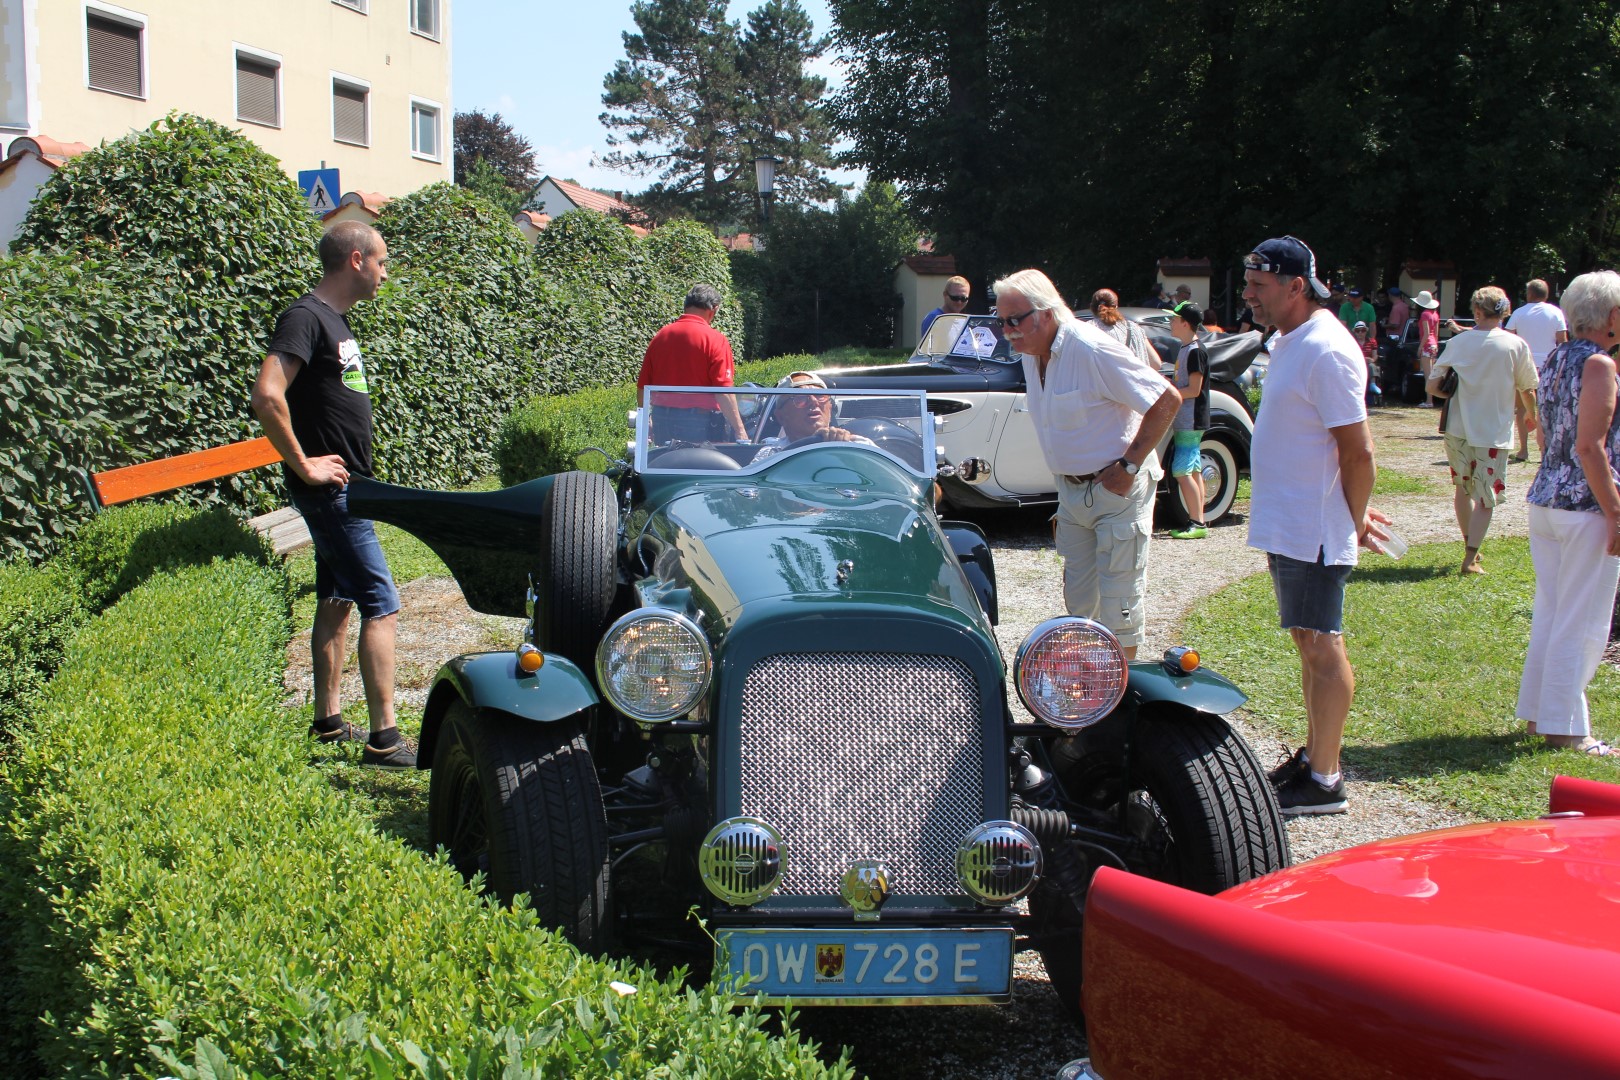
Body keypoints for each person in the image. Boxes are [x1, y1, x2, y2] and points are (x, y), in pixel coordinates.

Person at [250, 221, 414, 768]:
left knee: (337, 599)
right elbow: (267, 395)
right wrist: (304, 464)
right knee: (382, 603)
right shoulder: (304, 318)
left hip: (347, 490)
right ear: (357, 261)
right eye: (383, 262)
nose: (386, 273)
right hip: (333, 496)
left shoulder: (335, 322)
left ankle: (327, 720)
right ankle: (385, 739)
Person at [1241, 235, 1391, 816]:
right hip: (1292, 523)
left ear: (1295, 285)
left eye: (1259, 284)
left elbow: (1358, 451)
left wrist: (1351, 520)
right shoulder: (1291, 341)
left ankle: (1325, 780)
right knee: (1307, 641)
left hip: (1315, 526)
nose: (1249, 294)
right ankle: (1315, 757)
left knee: (1323, 646)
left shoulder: (1326, 348)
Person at [994, 269, 1180, 659]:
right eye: (1001, 321)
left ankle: (1118, 706)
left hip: (1118, 489)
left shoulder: (1089, 347)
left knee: (1119, 606)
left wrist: (1128, 467)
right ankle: (1090, 695)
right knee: (1080, 608)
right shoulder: (1032, 353)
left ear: (1045, 313)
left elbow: (1167, 400)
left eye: (1014, 320)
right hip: (1074, 492)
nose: (1007, 331)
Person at [1516, 269, 1620, 758]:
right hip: (1585, 505)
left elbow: (1546, 433)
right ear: (1613, 317)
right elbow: (1590, 446)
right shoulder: (1599, 365)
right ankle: (1566, 727)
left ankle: (1543, 713)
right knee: (1583, 619)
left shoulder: (1556, 358)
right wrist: (1615, 510)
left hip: (1549, 499)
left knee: (1555, 612)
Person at [1426, 286, 1539, 575]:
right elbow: (1527, 387)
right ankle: (1470, 557)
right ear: (1504, 311)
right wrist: (1532, 415)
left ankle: (1470, 547)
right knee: (1486, 496)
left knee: (1463, 489)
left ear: (1476, 311)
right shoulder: (1515, 345)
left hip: (1458, 429)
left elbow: (1433, 386)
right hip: (1493, 431)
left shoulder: (1459, 342)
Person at [637, 284, 748, 445]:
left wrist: (646, 420)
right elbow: (723, 391)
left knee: (664, 465)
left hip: (661, 416)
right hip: (698, 420)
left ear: (686, 306)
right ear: (714, 310)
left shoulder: (661, 336)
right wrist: (740, 431)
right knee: (697, 466)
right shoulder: (715, 340)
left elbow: (642, 387)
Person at [1505, 278, 1569, 461]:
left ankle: (1523, 450)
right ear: (1546, 294)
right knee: (1547, 408)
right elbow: (1562, 342)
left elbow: (1508, 340)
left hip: (1524, 365)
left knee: (1521, 408)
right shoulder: (1555, 312)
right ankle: (1545, 449)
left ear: (1529, 294)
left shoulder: (1518, 313)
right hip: (1548, 365)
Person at [751, 371, 873, 463]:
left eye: (820, 396)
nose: (814, 401)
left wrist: (846, 451)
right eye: (800, 397)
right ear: (781, 417)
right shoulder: (771, 454)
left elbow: (887, 481)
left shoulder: (859, 446)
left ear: (830, 408)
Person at [1166, 301, 1211, 539]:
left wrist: (1169, 392)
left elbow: (1194, 389)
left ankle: (1197, 523)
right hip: (1186, 419)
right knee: (1193, 471)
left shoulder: (1195, 351)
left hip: (1190, 420)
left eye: (1174, 319)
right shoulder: (1186, 349)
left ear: (1185, 323)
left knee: (1181, 471)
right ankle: (1199, 520)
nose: (1170, 323)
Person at [1089, 288, 1160, 367]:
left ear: (1092, 307)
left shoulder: (1087, 329)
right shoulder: (1134, 328)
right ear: (1116, 306)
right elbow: (1156, 363)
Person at [1411, 289, 1442, 407]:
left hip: (1427, 344)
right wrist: (1436, 345)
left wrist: (1420, 347)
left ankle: (1429, 401)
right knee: (1431, 373)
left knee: (1427, 375)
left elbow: (1426, 333)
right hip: (1434, 344)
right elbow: (1436, 333)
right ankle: (1430, 399)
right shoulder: (1435, 314)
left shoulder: (1424, 314)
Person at [1351, 321, 1381, 405]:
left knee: (1371, 366)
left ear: (1366, 331)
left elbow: (1375, 355)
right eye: (1358, 330)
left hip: (1368, 363)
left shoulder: (1372, 342)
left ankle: (1372, 384)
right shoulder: (1352, 342)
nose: (1360, 333)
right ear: (1355, 332)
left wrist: (1372, 360)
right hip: (1356, 364)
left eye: (1362, 330)